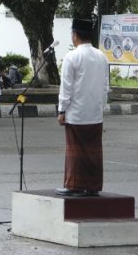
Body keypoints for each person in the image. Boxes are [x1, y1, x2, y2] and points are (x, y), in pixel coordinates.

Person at [56, 18, 110, 197]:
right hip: (95, 113)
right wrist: (101, 106)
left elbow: (67, 86)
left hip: (76, 112)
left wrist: (62, 109)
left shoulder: (72, 56)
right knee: (93, 153)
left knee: (76, 151)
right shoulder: (102, 56)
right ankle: (93, 187)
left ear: (75, 35)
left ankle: (75, 185)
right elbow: (105, 86)